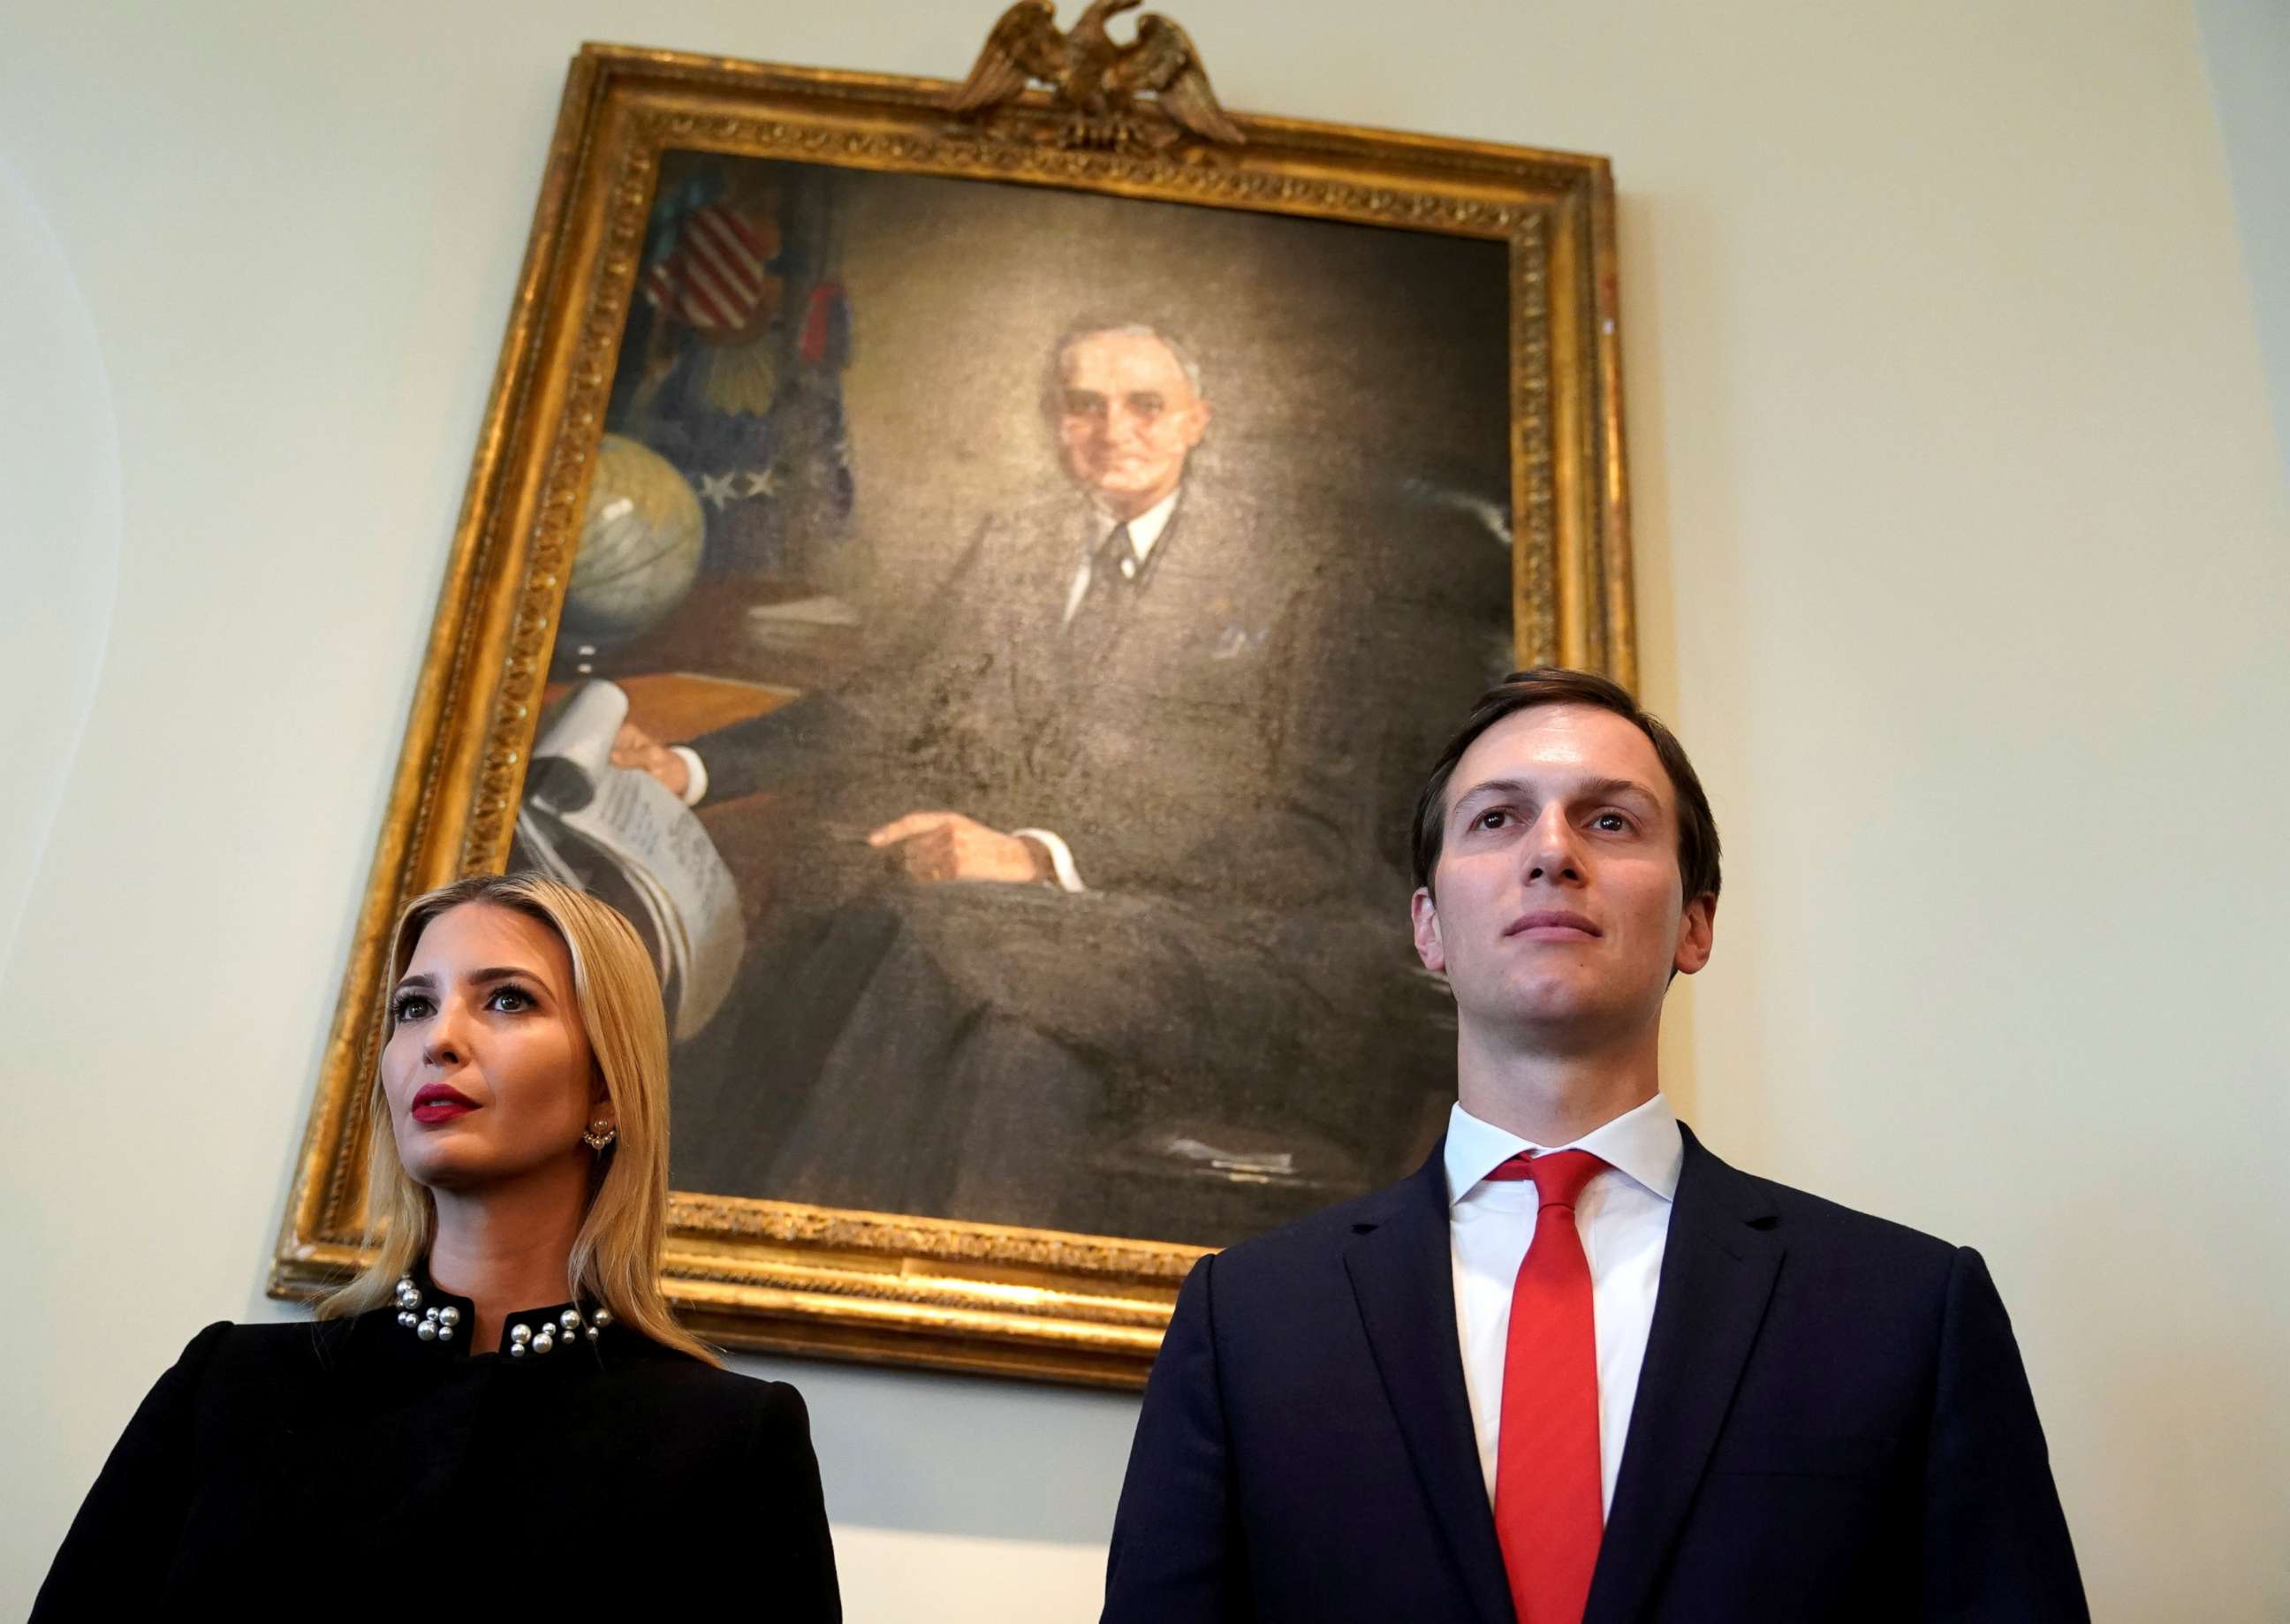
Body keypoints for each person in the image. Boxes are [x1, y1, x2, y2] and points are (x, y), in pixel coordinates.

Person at [1101, 668, 2088, 1623]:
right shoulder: (1248, 1322)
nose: (1552, 851)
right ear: (1428, 927)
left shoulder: (1910, 1310)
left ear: (1695, 923)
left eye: (1609, 820)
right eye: (1496, 818)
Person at [610, 323, 1439, 1242]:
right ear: (1054, 421)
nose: (1112, 428)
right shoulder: (1024, 544)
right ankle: (815, 1289)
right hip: (1040, 944)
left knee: (911, 929)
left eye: (1145, 405)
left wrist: (1037, 857)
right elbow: (897, 696)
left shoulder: (1303, 577)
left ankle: (726, 1241)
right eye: (1084, 404)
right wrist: (693, 766)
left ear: (1197, 421)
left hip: (1243, 945)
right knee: (1010, 1053)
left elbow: (1311, 840)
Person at [34, 874, 841, 1616]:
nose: (439, 1040)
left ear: (608, 1088)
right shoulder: (226, 1387)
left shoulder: (728, 1441)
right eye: (415, 1007)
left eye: (508, 1001)